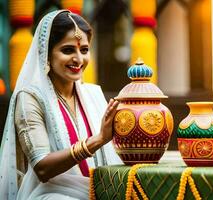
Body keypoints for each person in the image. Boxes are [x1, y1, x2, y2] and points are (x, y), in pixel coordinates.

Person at [0, 10, 122, 200]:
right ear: (46, 54)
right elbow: (42, 167)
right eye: (67, 50)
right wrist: (97, 140)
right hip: (52, 195)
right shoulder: (30, 97)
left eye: (84, 50)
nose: (79, 59)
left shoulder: (93, 94)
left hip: (98, 191)